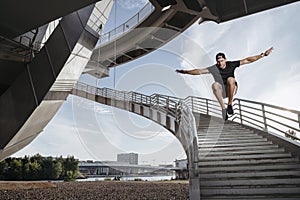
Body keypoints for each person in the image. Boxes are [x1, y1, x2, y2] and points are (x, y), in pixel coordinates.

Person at [176, 47, 274, 120]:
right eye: (218, 62)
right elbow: (199, 71)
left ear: (225, 60)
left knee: (230, 79)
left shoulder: (231, 64)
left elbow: (247, 60)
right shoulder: (214, 68)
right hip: (221, 92)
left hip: (231, 88)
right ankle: (223, 109)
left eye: (222, 61)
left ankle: (230, 105)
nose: (220, 64)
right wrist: (185, 72)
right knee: (214, 84)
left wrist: (262, 55)